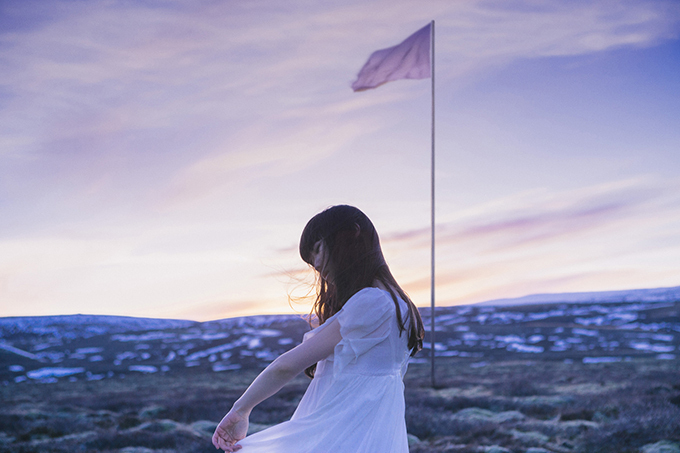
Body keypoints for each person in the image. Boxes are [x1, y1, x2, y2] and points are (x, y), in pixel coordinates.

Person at [212, 205, 424, 452]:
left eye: (318, 249)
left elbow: (286, 366)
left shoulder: (371, 302)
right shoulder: (403, 308)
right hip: (374, 438)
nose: (317, 265)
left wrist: (241, 410)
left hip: (336, 436)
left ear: (351, 234)